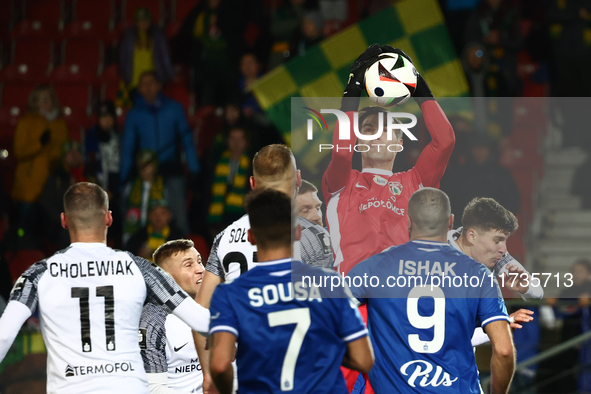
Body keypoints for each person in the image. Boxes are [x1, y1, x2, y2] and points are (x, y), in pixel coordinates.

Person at [0, 182, 210, 393]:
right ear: (109, 218)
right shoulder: (140, 268)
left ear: (64, 220)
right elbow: (202, 321)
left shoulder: (38, 274)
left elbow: (4, 336)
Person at [348, 187, 515, 393]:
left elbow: (329, 322)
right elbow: (504, 350)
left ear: (408, 221)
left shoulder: (374, 267)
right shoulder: (479, 275)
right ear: (451, 222)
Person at [195, 144, 334, 391]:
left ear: (252, 183)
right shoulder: (313, 234)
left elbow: (200, 312)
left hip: (242, 374)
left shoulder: (225, 236)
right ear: (299, 179)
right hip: (299, 373)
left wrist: (208, 374)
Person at [209, 189, 373, 394]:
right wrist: (325, 350)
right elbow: (363, 359)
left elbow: (219, 364)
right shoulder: (330, 283)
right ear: (297, 231)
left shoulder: (229, 294)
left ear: (251, 237)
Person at [322, 44, 455, 276]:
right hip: (354, 300)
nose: (374, 133)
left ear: (399, 143)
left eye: (384, 128)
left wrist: (419, 87)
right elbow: (342, 153)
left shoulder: (415, 183)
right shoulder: (342, 183)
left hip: (400, 299)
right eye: (368, 129)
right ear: (358, 141)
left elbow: (445, 141)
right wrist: (353, 88)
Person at [120, 71, 200, 236]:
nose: (148, 87)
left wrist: (194, 169)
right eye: (143, 84)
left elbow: (187, 141)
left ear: (158, 85)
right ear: (139, 89)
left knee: (178, 212)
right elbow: (127, 147)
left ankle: (184, 247)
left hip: (169, 166)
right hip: (144, 170)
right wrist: (124, 176)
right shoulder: (133, 114)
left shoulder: (174, 108)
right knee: (133, 210)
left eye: (151, 83)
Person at [140, 239, 205, 393]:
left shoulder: (219, 305)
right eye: (189, 265)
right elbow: (155, 389)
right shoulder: (152, 321)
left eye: (200, 261)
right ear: (166, 279)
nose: (201, 269)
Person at [12, 85, 68, 247]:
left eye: (48, 97)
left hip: (51, 188)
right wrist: (39, 143)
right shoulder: (26, 121)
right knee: (25, 232)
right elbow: (19, 151)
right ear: (34, 103)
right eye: (41, 99)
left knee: (49, 233)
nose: (45, 102)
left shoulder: (59, 124)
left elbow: (61, 152)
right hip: (29, 187)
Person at [208, 127, 251, 234]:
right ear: (227, 141)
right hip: (218, 218)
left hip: (242, 218)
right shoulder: (216, 162)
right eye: (233, 139)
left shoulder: (253, 165)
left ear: (246, 142)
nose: (236, 143)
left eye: (240, 139)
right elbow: (207, 191)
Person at [119, 8, 174, 91]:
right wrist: (125, 76)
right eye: (141, 21)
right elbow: (123, 58)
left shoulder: (157, 36)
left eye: (146, 20)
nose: (143, 23)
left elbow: (164, 57)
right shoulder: (129, 37)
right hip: (134, 81)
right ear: (136, 22)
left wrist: (169, 74)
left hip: (152, 81)